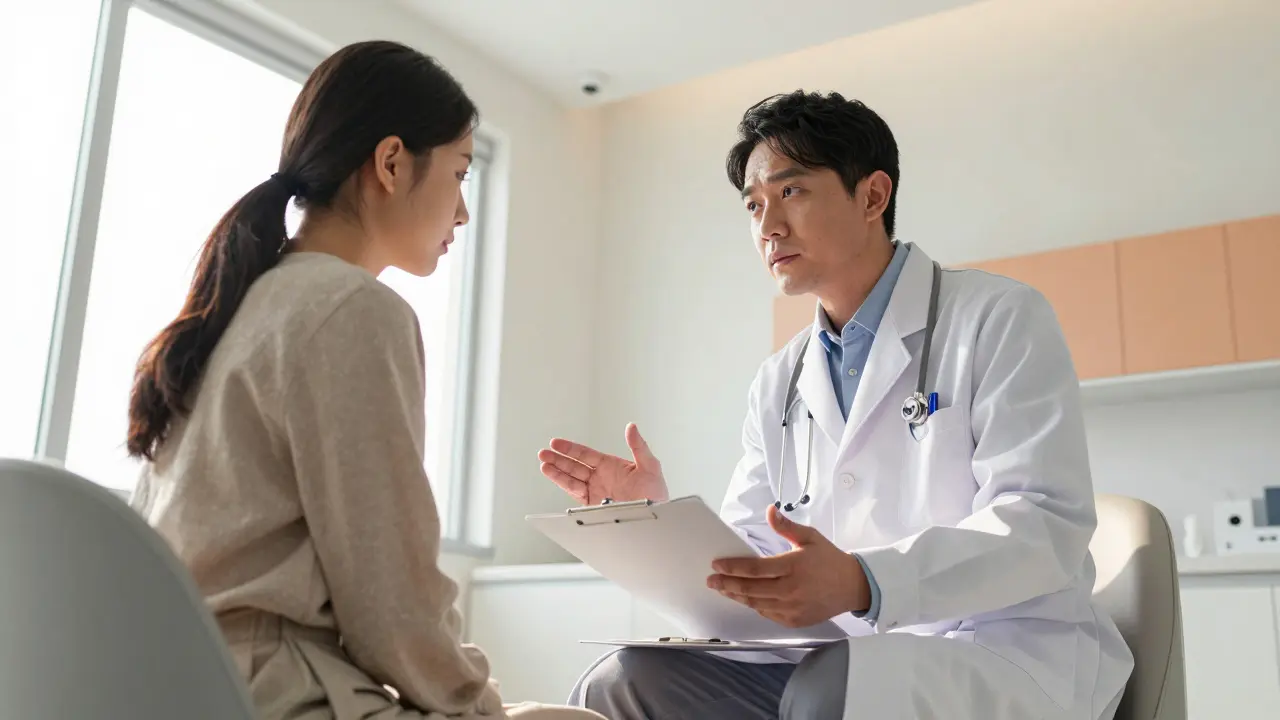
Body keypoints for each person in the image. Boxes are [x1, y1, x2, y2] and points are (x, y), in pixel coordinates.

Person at [538, 90, 1134, 720]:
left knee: (839, 689)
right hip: (838, 655)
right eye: (753, 204)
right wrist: (655, 521)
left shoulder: (998, 318)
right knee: (625, 683)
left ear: (873, 197)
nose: (768, 225)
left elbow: (1042, 523)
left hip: (1001, 654)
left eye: (790, 192)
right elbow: (754, 561)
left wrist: (863, 581)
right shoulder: (779, 380)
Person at [127, 40, 603, 720]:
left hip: (174, 685)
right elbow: (394, 606)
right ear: (390, 162)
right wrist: (482, 707)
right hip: (270, 694)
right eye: (461, 173)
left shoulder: (229, 307)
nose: (463, 213)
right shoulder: (353, 311)